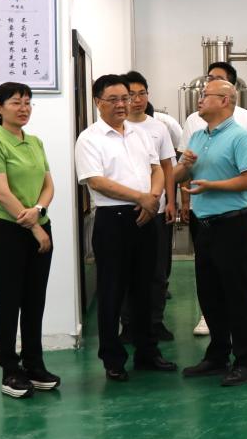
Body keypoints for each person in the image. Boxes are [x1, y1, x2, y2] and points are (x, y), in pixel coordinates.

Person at [75, 74, 177, 381]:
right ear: (98, 102)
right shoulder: (89, 139)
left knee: (146, 288)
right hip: (113, 221)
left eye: (125, 98)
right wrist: (141, 198)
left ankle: (147, 352)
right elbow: (96, 181)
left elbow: (156, 169)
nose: (122, 104)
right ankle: (113, 359)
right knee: (112, 292)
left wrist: (153, 198)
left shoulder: (139, 133)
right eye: (114, 99)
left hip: (146, 216)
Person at [175, 79, 247, 387]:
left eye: (205, 95)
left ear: (225, 100)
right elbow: (178, 176)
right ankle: (217, 355)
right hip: (204, 225)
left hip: (233, 224)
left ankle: (246, 361)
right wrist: (184, 165)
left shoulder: (241, 138)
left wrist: (212, 186)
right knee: (209, 293)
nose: (200, 99)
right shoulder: (197, 136)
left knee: (236, 294)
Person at [0, 82, 58, 399]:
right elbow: (1, 193)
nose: (23, 108)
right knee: (8, 301)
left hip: (39, 224)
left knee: (35, 300)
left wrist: (39, 211)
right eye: (16, 102)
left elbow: (49, 185)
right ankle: (10, 371)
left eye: (28, 102)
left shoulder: (35, 142)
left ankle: (34, 365)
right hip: (7, 230)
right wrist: (34, 226)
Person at [119, 71, 177, 342]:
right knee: (127, 270)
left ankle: (155, 322)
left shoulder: (158, 128)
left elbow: (167, 167)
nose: (137, 99)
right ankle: (129, 324)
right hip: (126, 210)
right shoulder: (117, 127)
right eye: (131, 95)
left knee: (157, 271)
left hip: (157, 210)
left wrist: (171, 202)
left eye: (142, 93)